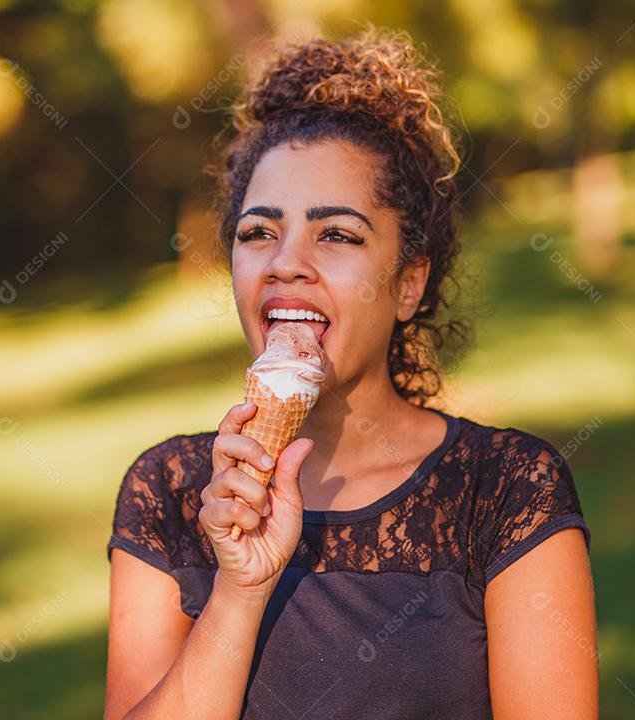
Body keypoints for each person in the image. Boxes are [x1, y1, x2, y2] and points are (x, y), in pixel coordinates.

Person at [105, 25, 597, 720]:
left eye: (336, 234)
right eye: (258, 233)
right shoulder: (169, 492)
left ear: (408, 285)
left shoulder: (509, 489)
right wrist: (239, 592)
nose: (285, 262)